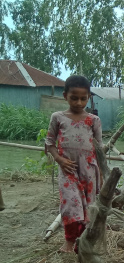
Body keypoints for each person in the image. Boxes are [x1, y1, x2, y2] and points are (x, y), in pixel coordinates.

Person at [44, 75, 102, 253]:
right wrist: (60, 160)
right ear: (65, 96)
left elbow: (99, 149)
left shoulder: (93, 120)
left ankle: (82, 242)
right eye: (74, 98)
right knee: (70, 205)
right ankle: (69, 240)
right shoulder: (58, 117)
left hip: (89, 170)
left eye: (83, 98)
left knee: (88, 207)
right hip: (68, 169)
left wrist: (101, 176)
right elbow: (49, 143)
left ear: (89, 98)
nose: (78, 102)